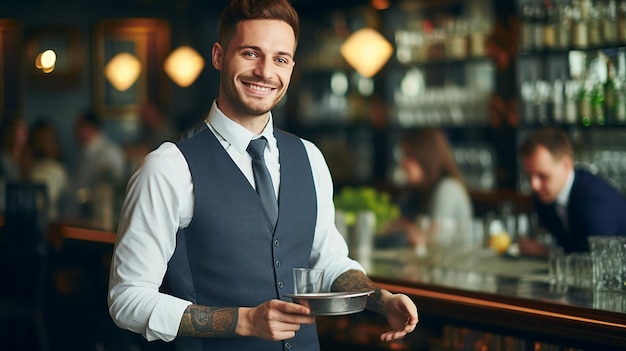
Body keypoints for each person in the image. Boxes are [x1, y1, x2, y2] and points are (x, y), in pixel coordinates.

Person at [107, 1, 418, 351]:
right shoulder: (167, 167)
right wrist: (244, 321)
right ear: (219, 56)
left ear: (291, 68)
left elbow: (328, 261)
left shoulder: (310, 158)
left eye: (280, 59)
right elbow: (127, 300)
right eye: (251, 53)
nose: (265, 71)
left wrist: (382, 299)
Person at [519, 128, 626, 255]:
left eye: (542, 176)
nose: (534, 185)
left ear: (566, 164)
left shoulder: (594, 200)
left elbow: (591, 259)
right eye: (529, 176)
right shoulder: (544, 196)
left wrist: (545, 252)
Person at [384, 128, 474, 250]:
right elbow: (389, 225)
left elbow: (432, 239)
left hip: (452, 265)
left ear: (426, 158)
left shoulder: (447, 188)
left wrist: (407, 227)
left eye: (409, 156)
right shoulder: (415, 192)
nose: (403, 163)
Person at [25, 118, 70, 221]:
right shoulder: (32, 167)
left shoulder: (57, 170)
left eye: (52, 139)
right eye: (45, 139)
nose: (50, 144)